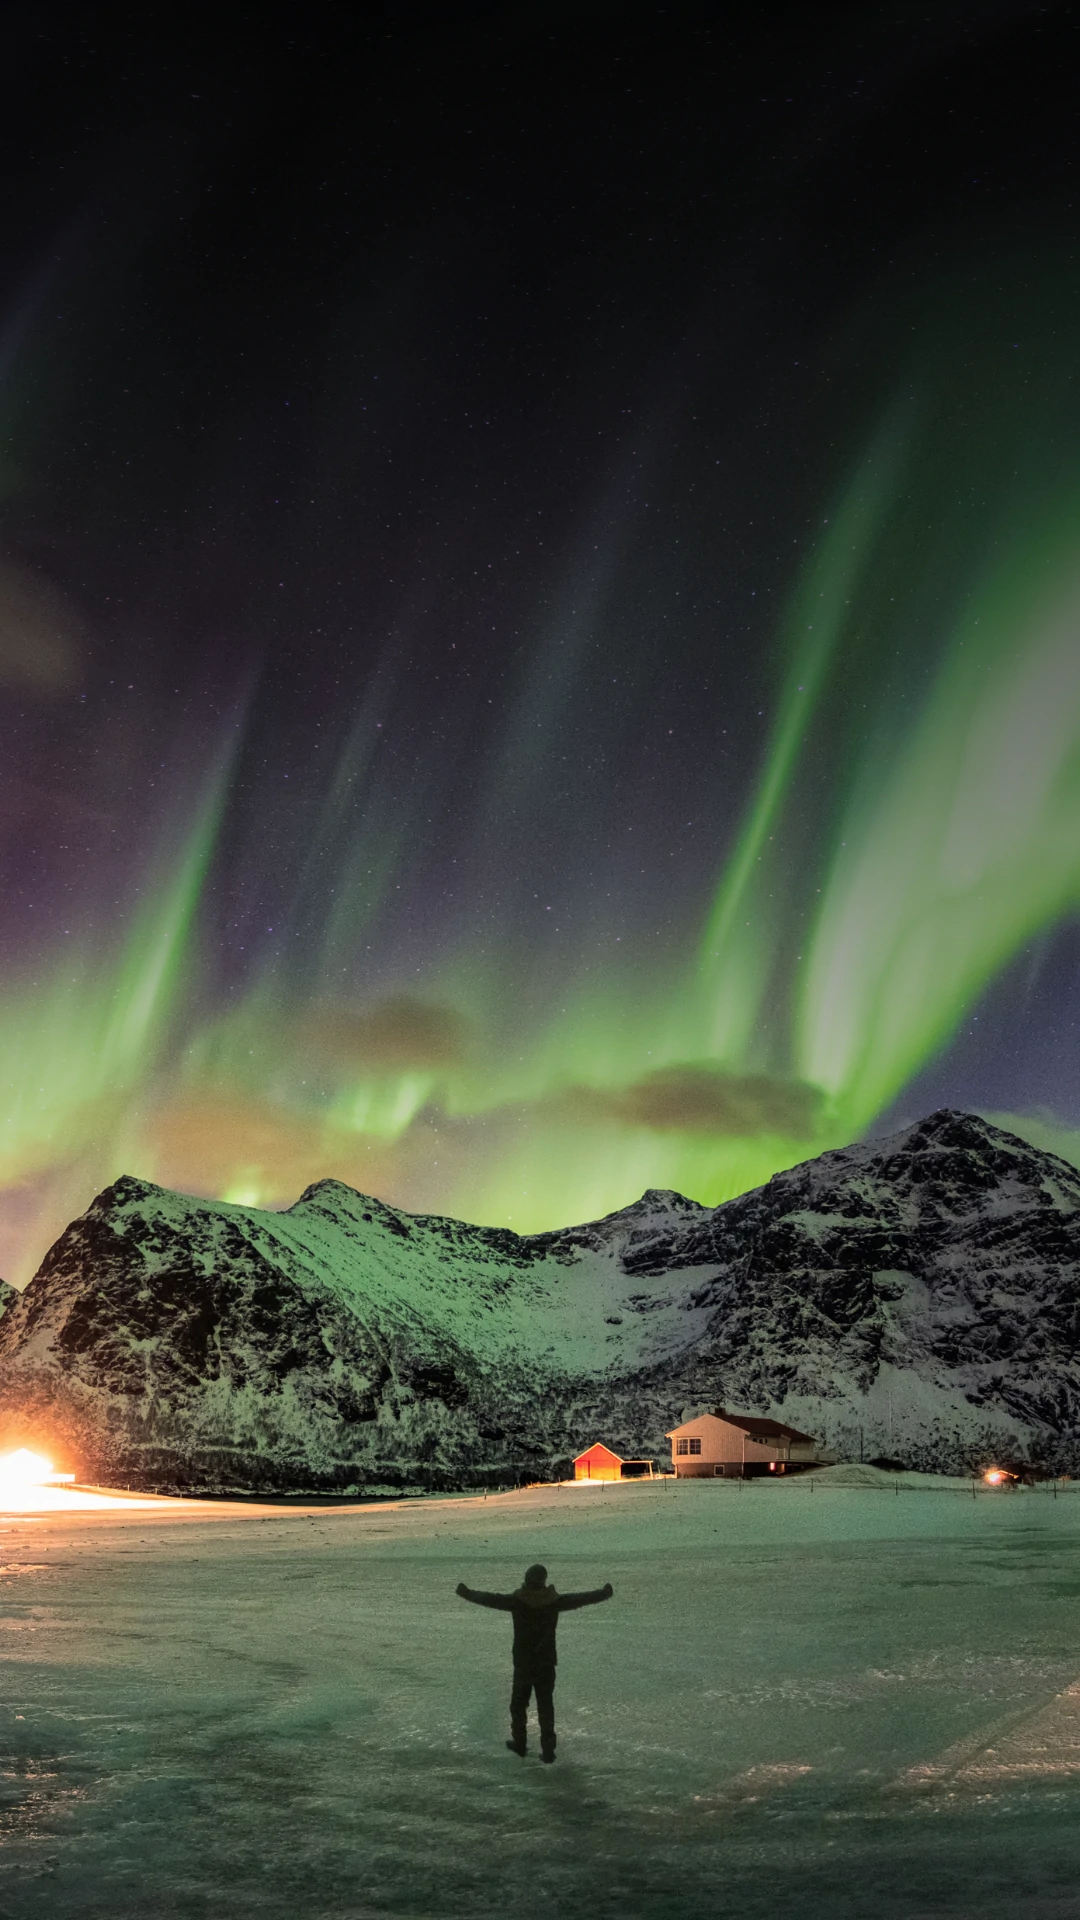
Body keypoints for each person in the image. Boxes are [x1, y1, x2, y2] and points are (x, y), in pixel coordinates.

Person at [456, 1562, 613, 1762]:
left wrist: (467, 1593)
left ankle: (520, 1743)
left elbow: (490, 1599)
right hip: (546, 1662)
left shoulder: (518, 1601)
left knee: (518, 1705)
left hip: (524, 1662)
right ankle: (548, 1750)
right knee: (545, 1706)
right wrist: (603, 1593)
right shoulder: (554, 1602)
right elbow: (580, 1598)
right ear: (543, 1581)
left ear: (527, 1579)